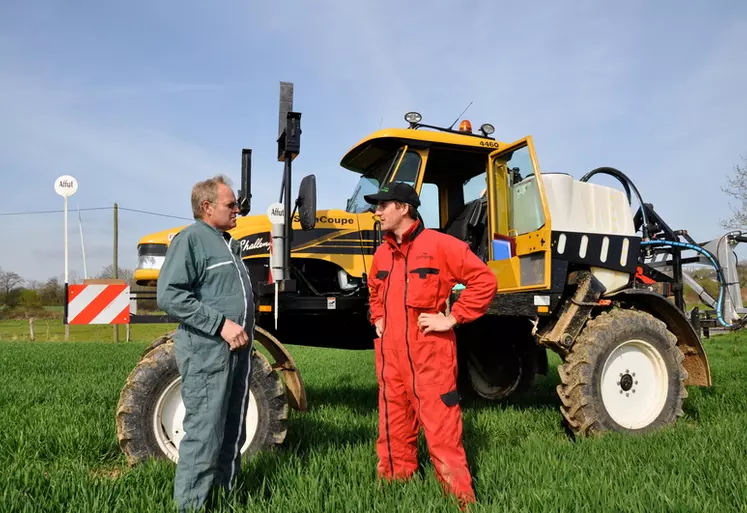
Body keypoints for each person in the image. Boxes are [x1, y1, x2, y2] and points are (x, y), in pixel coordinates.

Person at [364, 182, 497, 508]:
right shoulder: (382, 253)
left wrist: (452, 319)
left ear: (404, 208)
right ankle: (395, 492)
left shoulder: (441, 246)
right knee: (392, 429)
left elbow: (485, 280)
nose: (377, 212)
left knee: (442, 433)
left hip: (430, 358)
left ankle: (460, 501)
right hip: (390, 359)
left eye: (383, 205)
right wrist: (378, 317)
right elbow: (373, 290)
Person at [157, 175, 255, 512]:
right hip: (208, 353)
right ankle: (190, 506)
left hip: (235, 354)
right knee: (203, 433)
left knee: (232, 428)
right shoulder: (192, 239)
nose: (237, 209)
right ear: (206, 206)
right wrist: (220, 324)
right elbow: (169, 295)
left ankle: (224, 497)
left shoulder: (225, 242)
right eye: (231, 204)